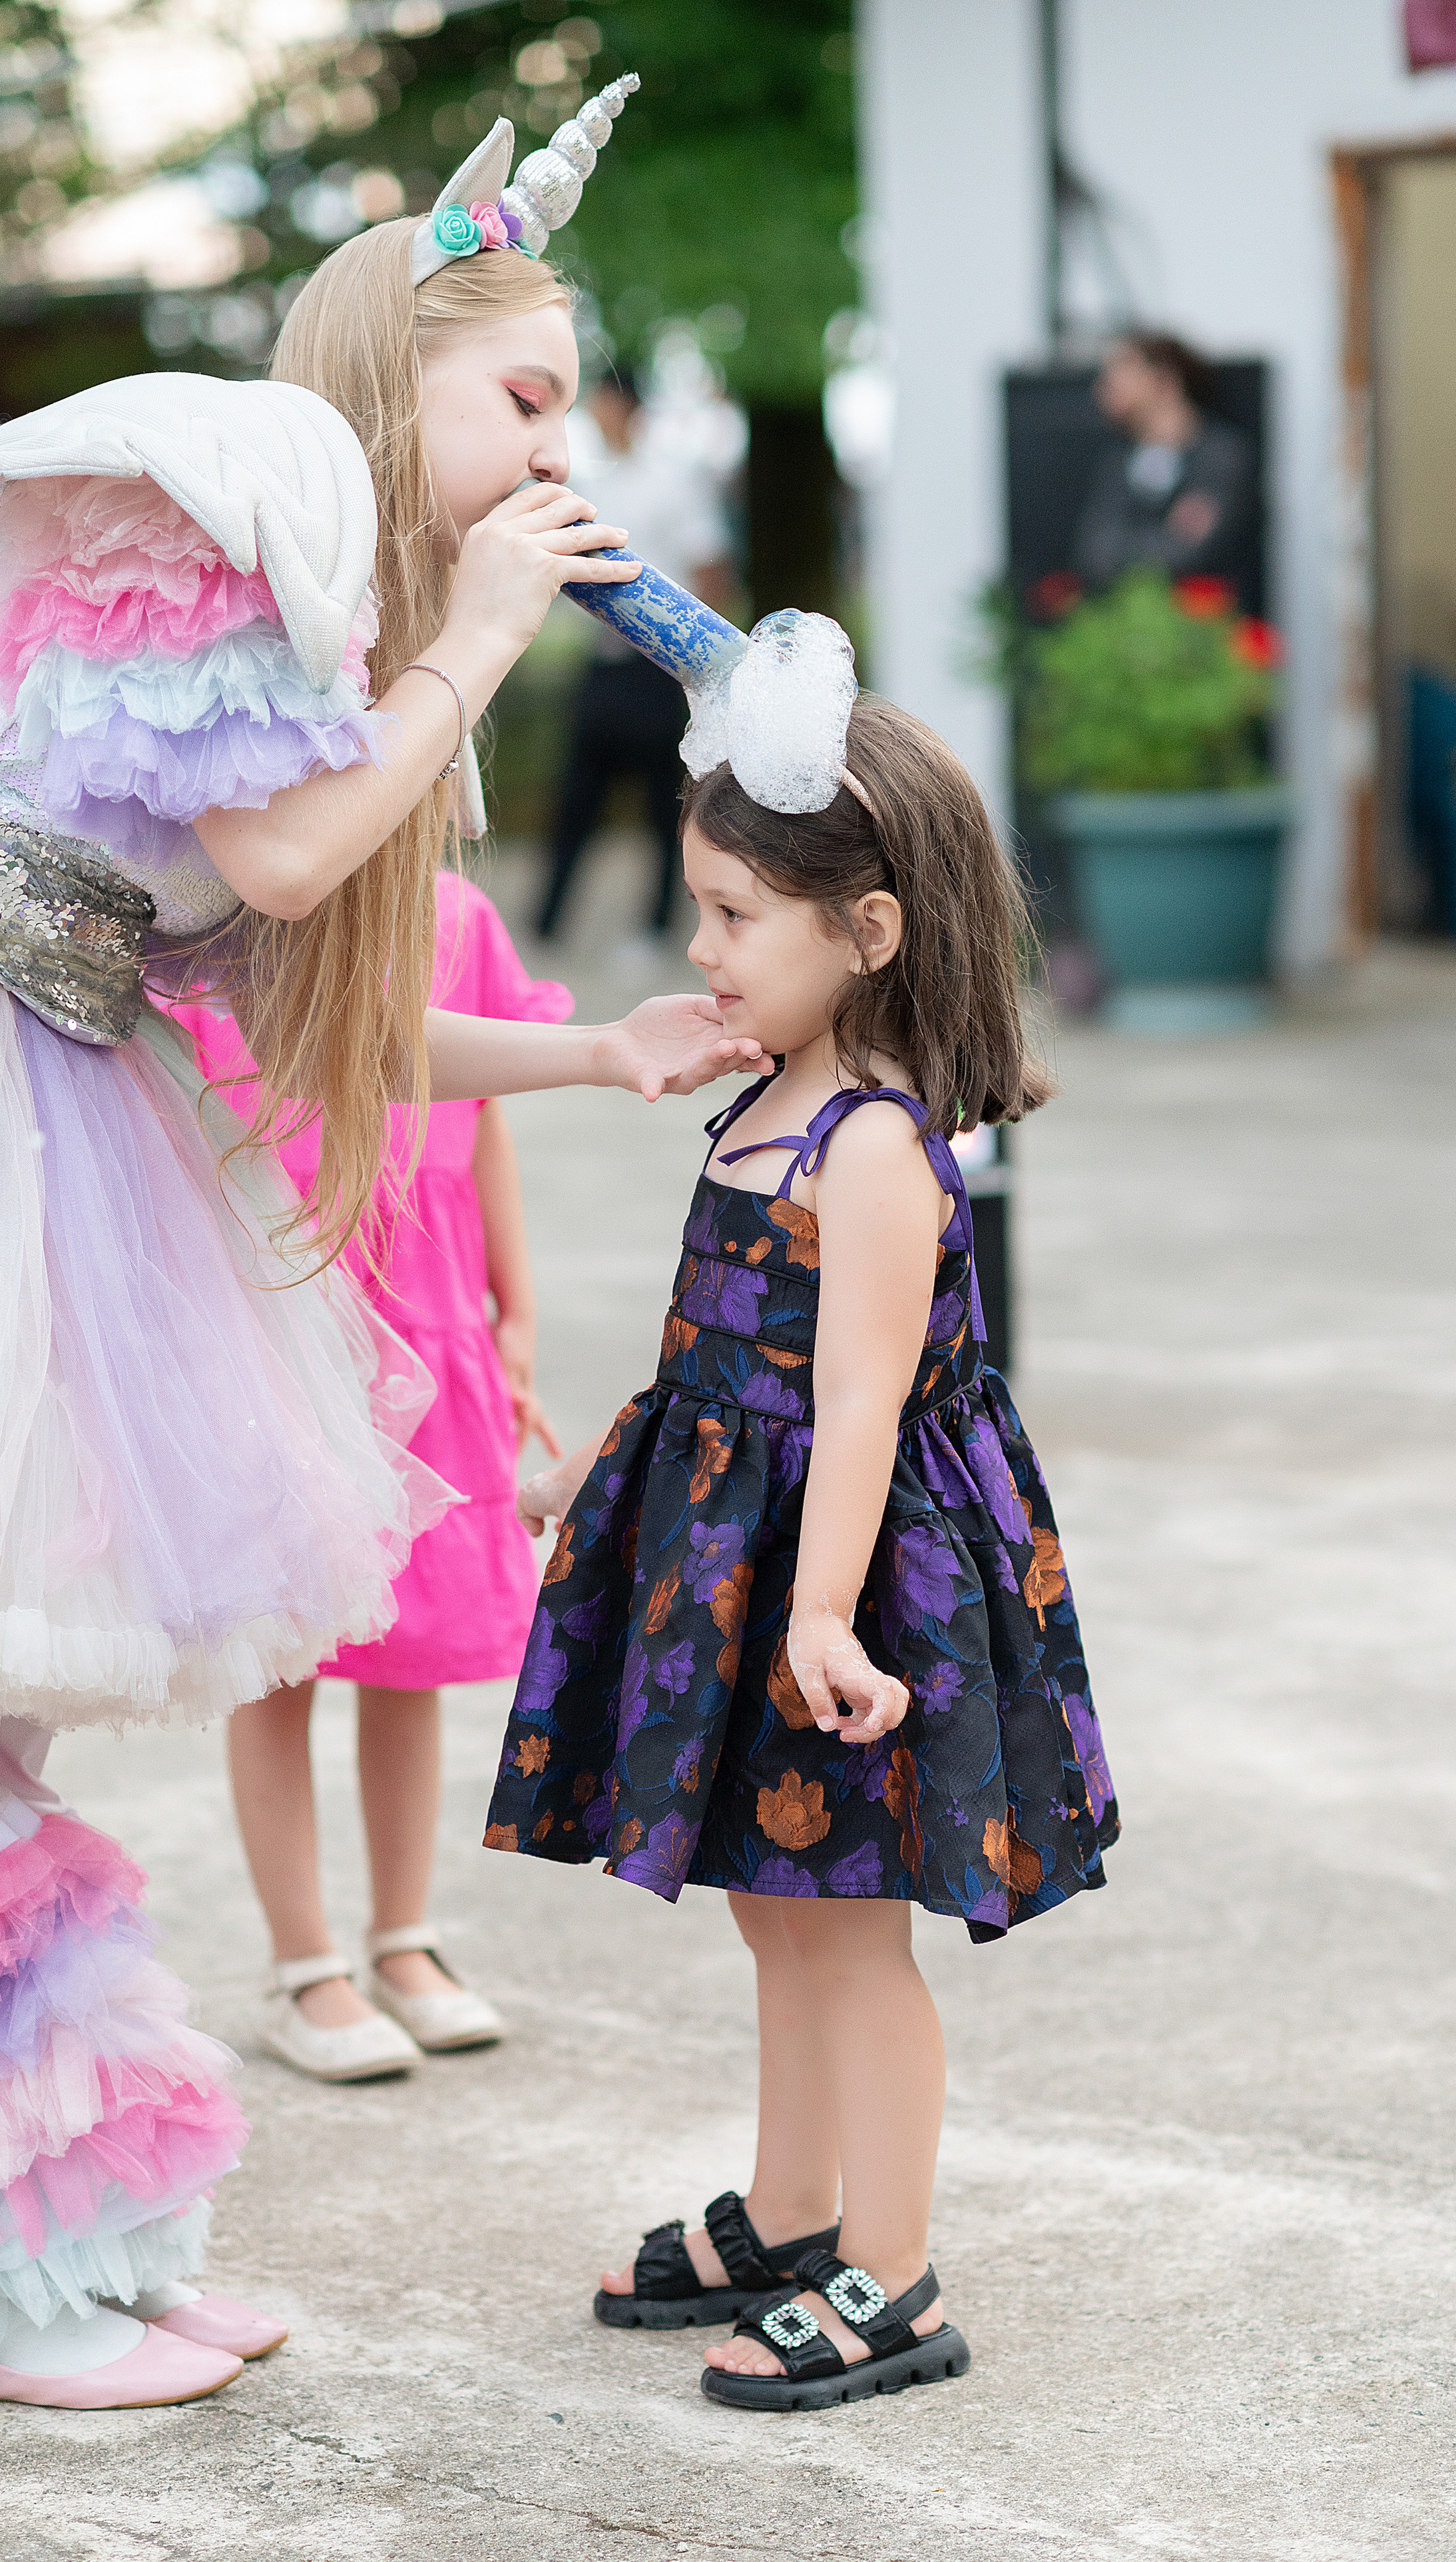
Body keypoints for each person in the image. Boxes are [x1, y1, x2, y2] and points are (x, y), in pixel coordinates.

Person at [0, 77, 768, 2413]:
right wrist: (488, 634)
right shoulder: (204, 481)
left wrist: (598, 1053)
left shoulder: (318, 601)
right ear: (394, 359)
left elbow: (291, 990)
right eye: (528, 389)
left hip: (39, 1082)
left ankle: (52, 2254)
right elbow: (297, 869)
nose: (557, 441)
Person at [485, 674, 1119, 2412]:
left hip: (841, 1579)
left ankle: (892, 2265)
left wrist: (825, 1609)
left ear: (872, 925)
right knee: (776, 1897)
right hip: (744, 1548)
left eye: (733, 913)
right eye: (700, 905)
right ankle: (791, 2203)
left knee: (850, 1929)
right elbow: (724, 1354)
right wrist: (595, 1485)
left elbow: (857, 1403)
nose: (702, 944)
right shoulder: (767, 1089)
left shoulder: (882, 1145)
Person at [167, 871, 569, 2079]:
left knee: (419, 1644)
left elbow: (483, 1110)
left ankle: (405, 1938)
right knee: (283, 1648)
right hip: (279, 1308)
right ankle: (306, 1965)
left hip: (431, 1306)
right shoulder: (221, 925)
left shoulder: (456, 919)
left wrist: (515, 1312)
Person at [536, 365, 733, 954]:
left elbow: (710, 566)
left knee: (661, 806)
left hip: (657, 669)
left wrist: (694, 660)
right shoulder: (592, 485)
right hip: (601, 661)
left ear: (627, 407)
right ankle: (547, 924)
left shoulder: (673, 484)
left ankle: (656, 928)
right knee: (577, 795)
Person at [1073, 331, 1255, 596]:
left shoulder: (1221, 456)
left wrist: (1128, 547)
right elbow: (1094, 553)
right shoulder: (1117, 459)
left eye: (1119, 376)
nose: (1103, 389)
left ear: (1164, 382)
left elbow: (1190, 551)